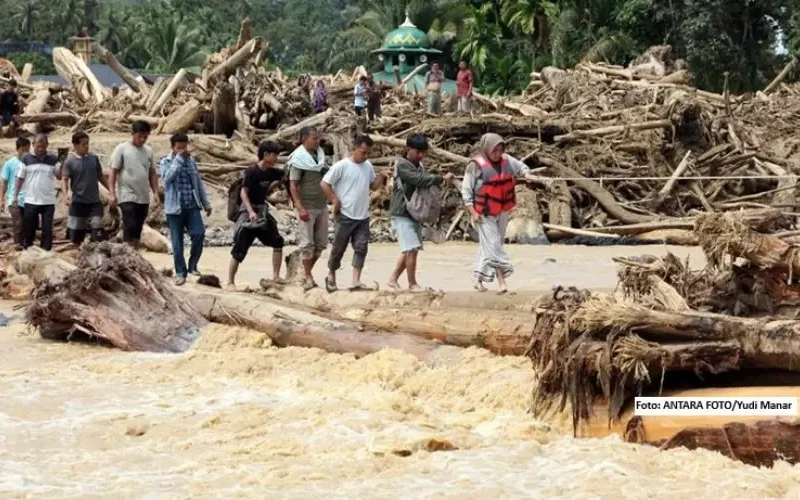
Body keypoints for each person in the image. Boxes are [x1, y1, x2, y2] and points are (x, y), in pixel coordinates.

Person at [462, 133, 530, 294]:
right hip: (482, 213)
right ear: (487, 149)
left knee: (490, 245)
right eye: (495, 151)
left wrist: (527, 174)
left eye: (500, 150)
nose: (498, 154)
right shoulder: (475, 166)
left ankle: (477, 278)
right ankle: (502, 281)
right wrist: (472, 212)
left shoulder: (506, 160)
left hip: (501, 210)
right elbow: (466, 191)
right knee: (494, 245)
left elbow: (521, 167)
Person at [388, 134, 454, 291]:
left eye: (423, 152)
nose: (421, 155)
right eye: (418, 152)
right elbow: (418, 180)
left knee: (411, 249)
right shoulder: (402, 165)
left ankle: (392, 279)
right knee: (411, 249)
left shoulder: (419, 165)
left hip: (414, 213)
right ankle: (412, 284)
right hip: (402, 211)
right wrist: (441, 179)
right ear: (408, 149)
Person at [320, 134, 383, 292]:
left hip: (362, 215)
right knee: (338, 248)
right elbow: (324, 183)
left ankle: (356, 280)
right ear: (354, 149)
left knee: (361, 247)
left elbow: (373, 186)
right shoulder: (341, 166)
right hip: (345, 214)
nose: (366, 155)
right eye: (363, 152)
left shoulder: (367, 166)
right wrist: (334, 200)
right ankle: (331, 276)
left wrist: (381, 176)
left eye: (368, 153)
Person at [227, 141, 286, 290]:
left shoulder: (272, 172)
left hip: (262, 211)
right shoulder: (251, 172)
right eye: (274, 155)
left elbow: (287, 174)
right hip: (248, 211)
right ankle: (230, 281)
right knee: (240, 247)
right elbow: (243, 192)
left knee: (278, 241)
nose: (276, 158)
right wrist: (251, 212)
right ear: (265, 155)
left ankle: (276, 276)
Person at [160, 133, 212, 286]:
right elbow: (167, 178)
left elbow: (198, 184)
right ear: (173, 148)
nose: (182, 150)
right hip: (174, 208)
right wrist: (178, 160)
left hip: (191, 206)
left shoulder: (191, 162)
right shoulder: (166, 161)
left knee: (199, 234)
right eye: (179, 147)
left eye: (184, 147)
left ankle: (192, 265)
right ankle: (180, 272)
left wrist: (206, 203)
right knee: (177, 244)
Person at [288, 126, 328, 290]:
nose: (317, 141)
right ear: (304, 139)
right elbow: (293, 185)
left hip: (322, 205)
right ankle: (308, 276)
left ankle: (305, 272)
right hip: (307, 206)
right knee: (307, 244)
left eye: (318, 138)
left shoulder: (319, 156)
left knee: (321, 244)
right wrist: (300, 207)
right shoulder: (299, 159)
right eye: (314, 138)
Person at [109, 120, 159, 248]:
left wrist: (156, 193)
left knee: (138, 228)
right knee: (129, 224)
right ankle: (127, 251)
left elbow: (152, 173)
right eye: (139, 137)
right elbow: (113, 171)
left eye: (145, 137)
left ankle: (134, 253)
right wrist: (112, 193)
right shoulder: (122, 149)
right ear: (132, 133)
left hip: (143, 196)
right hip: (127, 194)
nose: (142, 140)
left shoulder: (149, 151)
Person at [14, 134, 60, 251]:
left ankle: (46, 250)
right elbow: (20, 178)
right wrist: (15, 196)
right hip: (31, 200)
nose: (40, 149)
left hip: (48, 201)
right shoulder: (26, 159)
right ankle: (27, 247)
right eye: (38, 146)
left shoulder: (53, 159)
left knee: (47, 228)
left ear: (47, 145)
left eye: (43, 147)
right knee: (29, 226)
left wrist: (63, 162)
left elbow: (59, 176)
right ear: (33, 145)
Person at [62, 131, 108, 245]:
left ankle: (97, 250)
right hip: (78, 202)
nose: (87, 146)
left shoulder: (93, 158)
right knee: (76, 235)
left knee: (96, 226)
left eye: (88, 143)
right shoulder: (69, 161)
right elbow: (64, 179)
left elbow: (100, 176)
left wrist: (111, 190)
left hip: (94, 201)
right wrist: (65, 195)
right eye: (84, 144)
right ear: (75, 145)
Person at [0, 137, 30, 246]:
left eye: (28, 149)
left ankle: (26, 245)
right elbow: (4, 182)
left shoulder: (31, 164)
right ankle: (17, 245)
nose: (26, 152)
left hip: (29, 199)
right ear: (17, 149)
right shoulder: (10, 164)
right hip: (13, 199)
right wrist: (1, 200)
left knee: (28, 223)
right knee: (18, 222)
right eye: (23, 150)